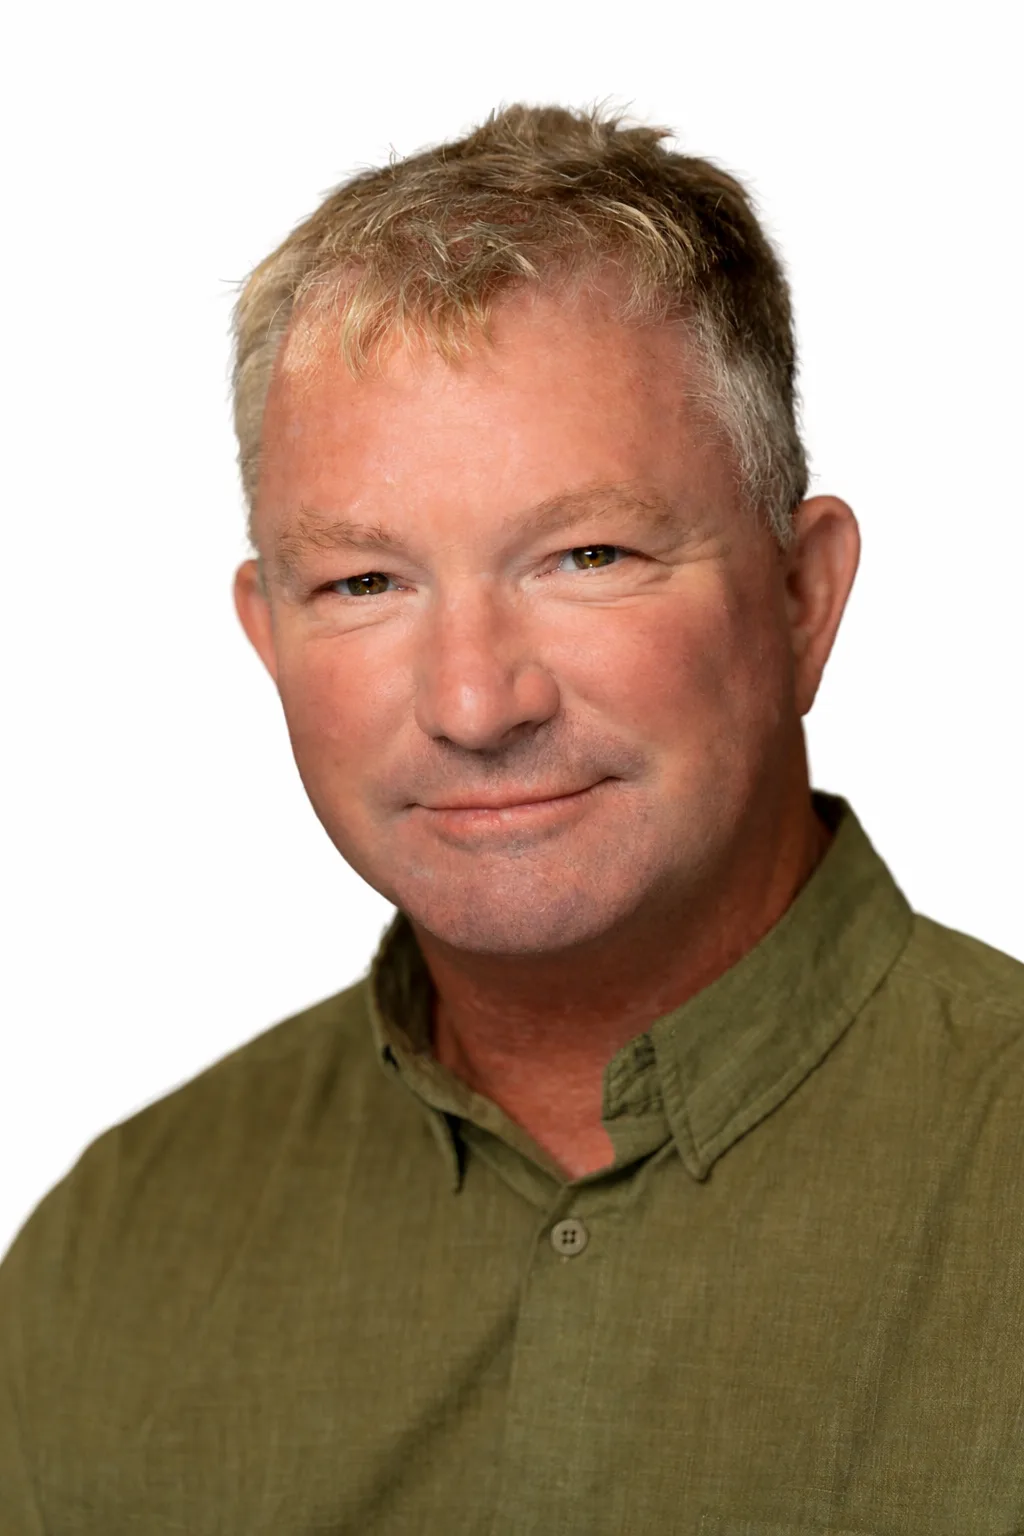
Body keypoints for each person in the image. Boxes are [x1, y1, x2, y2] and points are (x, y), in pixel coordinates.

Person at [2, 102, 1022, 1536]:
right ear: (269, 634)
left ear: (802, 595)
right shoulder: (104, 1263)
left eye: (586, 553)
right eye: (363, 582)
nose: (477, 702)